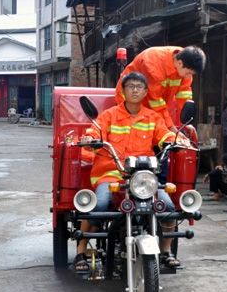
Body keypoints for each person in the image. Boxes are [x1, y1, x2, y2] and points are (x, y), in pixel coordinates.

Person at [74, 72, 186, 272]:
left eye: (139, 87)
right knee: (98, 206)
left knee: (169, 207)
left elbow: (165, 134)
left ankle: (167, 251)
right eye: (131, 86)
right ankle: (81, 250)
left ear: (145, 92)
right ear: (123, 91)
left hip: (142, 178)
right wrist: (90, 139)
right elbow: (94, 131)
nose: (135, 90)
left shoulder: (153, 117)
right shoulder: (108, 115)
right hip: (110, 174)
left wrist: (175, 140)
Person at [115, 46, 206, 133]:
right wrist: (171, 127)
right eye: (188, 73)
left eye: (192, 74)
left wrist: (185, 123)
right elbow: (156, 102)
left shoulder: (186, 61)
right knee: (139, 135)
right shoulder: (153, 64)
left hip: (158, 105)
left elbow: (184, 97)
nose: (189, 77)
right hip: (131, 102)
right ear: (180, 63)